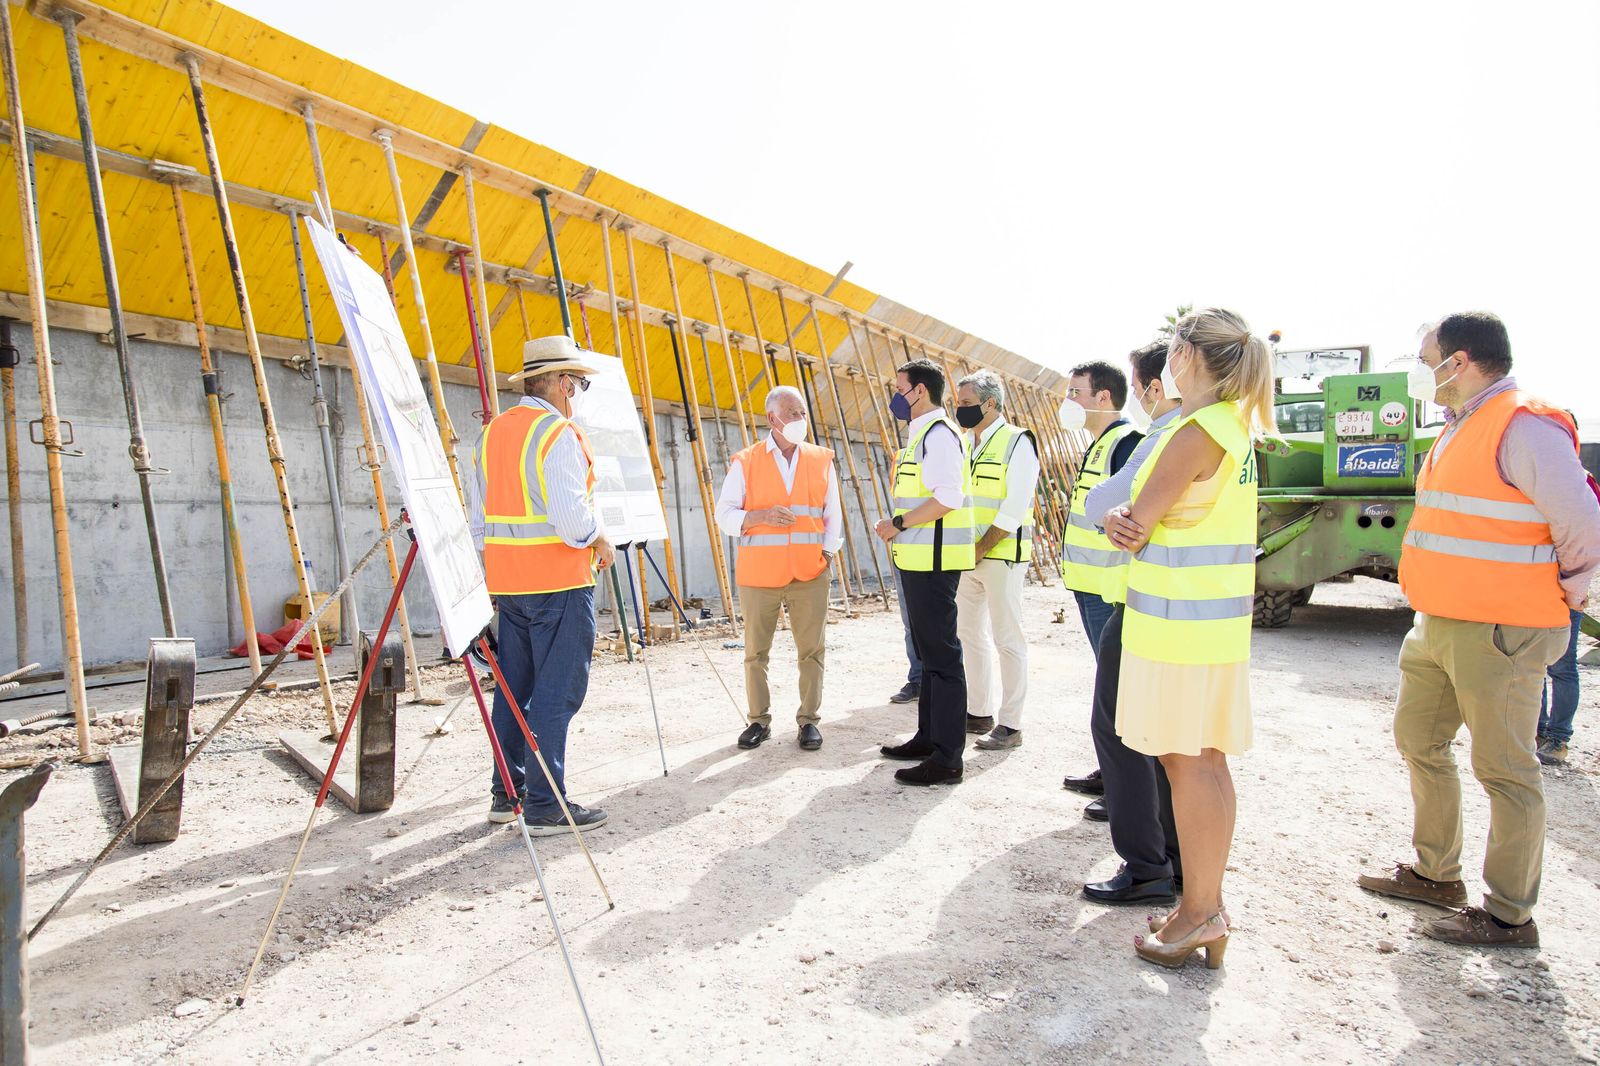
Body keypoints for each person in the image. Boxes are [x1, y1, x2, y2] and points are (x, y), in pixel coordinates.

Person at [1359, 312, 1599, 947]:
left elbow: (1583, 522)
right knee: (1419, 740)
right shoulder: (1460, 426)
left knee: (1506, 769)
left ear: (1458, 361)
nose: (1418, 368)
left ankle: (1508, 915)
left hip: (1502, 627)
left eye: (1425, 356)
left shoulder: (1524, 422)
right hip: (1438, 622)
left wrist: (1570, 590)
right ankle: (1436, 874)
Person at [1109, 308, 1273, 970]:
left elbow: (1135, 523)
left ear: (1183, 356)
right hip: (1209, 628)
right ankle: (1202, 906)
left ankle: (1201, 913)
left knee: (1187, 765)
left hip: (1177, 630)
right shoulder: (1233, 428)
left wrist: (1128, 519)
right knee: (1206, 762)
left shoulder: (1193, 431)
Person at [466, 334, 613, 832]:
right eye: (576, 383)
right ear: (562, 382)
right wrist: (601, 539)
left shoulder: (491, 435)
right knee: (558, 692)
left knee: (514, 689)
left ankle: (505, 795)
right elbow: (572, 520)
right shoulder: (557, 435)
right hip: (559, 585)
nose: (575, 393)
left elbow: (478, 522)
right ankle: (547, 805)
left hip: (508, 587)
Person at [1078, 342, 1187, 906]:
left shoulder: (1171, 435)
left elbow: (1111, 499)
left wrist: (1115, 513)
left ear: (1152, 384)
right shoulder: (1220, 430)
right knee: (1170, 741)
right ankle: (1175, 860)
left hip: (1147, 602)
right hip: (1186, 607)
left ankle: (1147, 865)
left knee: (1120, 730)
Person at [714, 385, 843, 751]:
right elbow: (724, 515)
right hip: (760, 575)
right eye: (793, 413)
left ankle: (809, 721)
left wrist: (827, 555)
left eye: (803, 412)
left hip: (810, 572)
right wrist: (760, 516)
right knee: (756, 653)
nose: (801, 420)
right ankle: (759, 720)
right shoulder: (746, 460)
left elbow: (832, 514)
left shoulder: (821, 459)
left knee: (812, 651)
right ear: (773, 419)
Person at [875, 358, 976, 785]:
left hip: (934, 563)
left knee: (943, 657)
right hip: (918, 560)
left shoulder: (939, 435)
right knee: (931, 655)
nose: (895, 396)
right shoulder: (921, 437)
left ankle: (948, 759)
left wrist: (896, 524)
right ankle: (928, 737)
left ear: (920, 391)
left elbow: (948, 497)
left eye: (900, 388)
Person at [1059, 360, 1142, 818]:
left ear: (1102, 397)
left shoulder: (1126, 442)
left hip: (1109, 587)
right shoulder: (1100, 444)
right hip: (1091, 584)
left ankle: (1124, 789)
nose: (1068, 402)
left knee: (1121, 691)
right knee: (1107, 687)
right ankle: (1110, 771)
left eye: (1075, 392)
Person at [953, 370, 1039, 750]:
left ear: (991, 404)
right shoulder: (967, 444)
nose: (960, 410)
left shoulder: (1017, 441)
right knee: (969, 634)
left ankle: (1011, 724)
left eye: (967, 404)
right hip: (967, 557)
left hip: (1000, 555)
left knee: (1007, 638)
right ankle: (979, 711)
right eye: (957, 403)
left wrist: (982, 547)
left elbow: (1015, 505)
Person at [1537, 611, 1584, 765]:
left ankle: (1558, 739)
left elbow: (1577, 586)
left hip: (1565, 606)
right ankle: (1537, 732)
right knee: (1532, 666)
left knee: (1562, 668)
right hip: (1532, 604)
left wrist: (1575, 600)